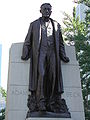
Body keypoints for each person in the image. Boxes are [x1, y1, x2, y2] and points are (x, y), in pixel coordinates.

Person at [21, 3, 70, 113]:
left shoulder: (56, 25)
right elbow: (28, 40)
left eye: (49, 9)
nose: (47, 11)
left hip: (53, 54)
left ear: (51, 12)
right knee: (41, 75)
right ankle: (41, 102)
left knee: (53, 77)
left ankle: (52, 103)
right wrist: (25, 53)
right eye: (45, 9)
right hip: (40, 54)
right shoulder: (34, 24)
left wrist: (63, 55)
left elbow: (61, 43)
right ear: (40, 10)